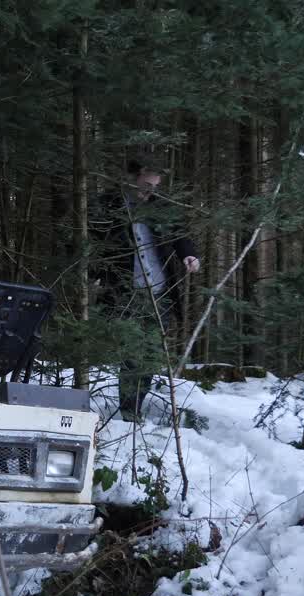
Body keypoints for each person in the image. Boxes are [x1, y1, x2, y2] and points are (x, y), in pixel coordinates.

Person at [92, 159, 200, 422]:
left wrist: (189, 255)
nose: (151, 190)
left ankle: (137, 406)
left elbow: (178, 234)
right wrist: (94, 274)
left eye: (155, 186)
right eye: (146, 184)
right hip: (126, 291)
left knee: (151, 353)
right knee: (131, 352)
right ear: (133, 177)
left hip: (159, 292)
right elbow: (94, 240)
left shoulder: (159, 206)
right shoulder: (108, 204)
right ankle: (129, 412)